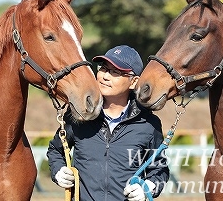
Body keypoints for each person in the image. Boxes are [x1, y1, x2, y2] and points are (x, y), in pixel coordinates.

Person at [47, 45, 169, 201]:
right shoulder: (78, 115)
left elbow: (159, 169)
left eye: (115, 72)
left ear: (134, 82)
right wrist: (58, 170)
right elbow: (55, 150)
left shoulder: (149, 124)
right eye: (103, 69)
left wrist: (147, 188)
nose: (105, 76)